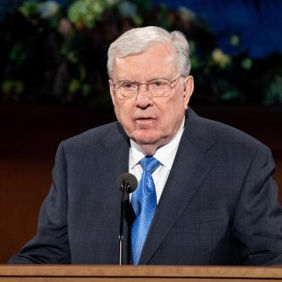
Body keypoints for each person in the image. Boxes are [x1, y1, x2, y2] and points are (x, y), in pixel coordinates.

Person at [8, 26, 282, 265]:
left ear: (186, 90)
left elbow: (270, 260)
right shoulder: (78, 157)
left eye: (157, 84)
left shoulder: (241, 159)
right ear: (113, 92)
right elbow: (45, 257)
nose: (142, 100)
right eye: (128, 85)